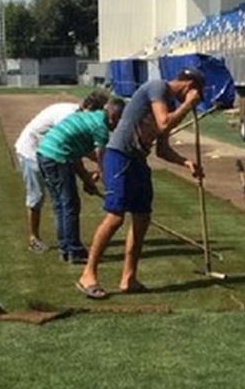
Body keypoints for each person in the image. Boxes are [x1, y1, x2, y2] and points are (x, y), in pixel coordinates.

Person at [76, 69, 206, 299]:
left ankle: (129, 278)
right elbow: (163, 123)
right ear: (188, 86)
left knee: (142, 217)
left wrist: (186, 163)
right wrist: (188, 105)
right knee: (115, 216)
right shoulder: (157, 87)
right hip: (119, 156)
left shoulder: (168, 104)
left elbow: (162, 149)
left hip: (138, 160)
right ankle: (88, 274)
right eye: (196, 92)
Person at [13, 91, 111, 253]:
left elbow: (80, 150)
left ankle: (66, 245)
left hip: (48, 154)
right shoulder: (69, 115)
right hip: (31, 151)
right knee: (39, 197)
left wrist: (94, 171)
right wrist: (87, 178)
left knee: (61, 202)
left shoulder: (80, 115)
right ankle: (35, 238)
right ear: (91, 108)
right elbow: (71, 153)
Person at [37, 99, 125, 264]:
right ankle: (74, 251)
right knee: (70, 205)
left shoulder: (89, 117)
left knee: (60, 204)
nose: (118, 126)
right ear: (113, 116)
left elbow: (75, 156)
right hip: (57, 156)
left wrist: (87, 181)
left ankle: (66, 249)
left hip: (45, 153)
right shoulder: (101, 127)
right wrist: (111, 190)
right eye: (119, 121)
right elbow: (102, 163)